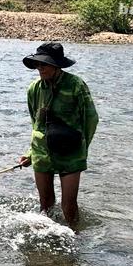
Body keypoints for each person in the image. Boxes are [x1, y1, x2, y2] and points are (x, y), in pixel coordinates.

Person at [17, 42, 98, 226]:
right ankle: (46, 246)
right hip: (41, 152)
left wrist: (82, 148)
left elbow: (91, 119)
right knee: (45, 204)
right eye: (37, 64)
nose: (40, 68)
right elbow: (35, 123)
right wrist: (30, 153)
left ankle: (75, 238)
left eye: (44, 64)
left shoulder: (76, 85)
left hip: (71, 153)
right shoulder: (34, 89)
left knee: (68, 206)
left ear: (56, 66)